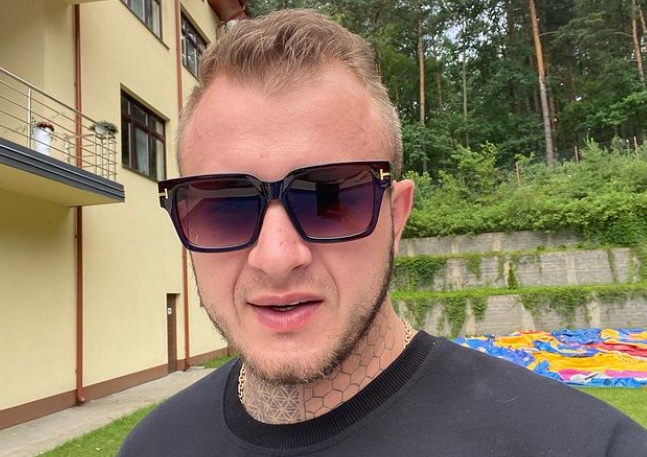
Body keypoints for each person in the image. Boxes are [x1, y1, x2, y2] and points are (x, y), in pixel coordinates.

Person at [117, 9, 647, 456]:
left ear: (396, 216)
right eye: (225, 205)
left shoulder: (589, 445)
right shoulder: (151, 447)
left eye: (330, 199)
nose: (276, 257)